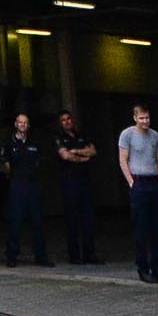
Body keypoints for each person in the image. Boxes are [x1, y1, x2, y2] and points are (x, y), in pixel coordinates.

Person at [118, 102, 158, 282]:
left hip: (154, 182)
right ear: (135, 118)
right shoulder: (127, 134)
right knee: (141, 228)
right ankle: (143, 269)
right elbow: (123, 159)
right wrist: (131, 182)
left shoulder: (154, 135)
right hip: (139, 182)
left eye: (147, 118)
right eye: (141, 118)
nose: (145, 121)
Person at [1, 111, 52, 266]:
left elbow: (40, 162)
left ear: (28, 125)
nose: (22, 125)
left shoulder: (35, 144)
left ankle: (41, 256)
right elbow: (6, 164)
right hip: (17, 185)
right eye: (20, 122)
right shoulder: (9, 144)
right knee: (15, 221)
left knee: (37, 221)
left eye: (25, 122)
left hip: (33, 185)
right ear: (15, 124)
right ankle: (11, 255)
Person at [54, 109, 101, 264]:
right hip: (69, 182)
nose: (67, 122)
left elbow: (93, 151)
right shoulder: (59, 137)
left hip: (85, 181)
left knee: (88, 218)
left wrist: (76, 150)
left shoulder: (82, 135)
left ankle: (90, 253)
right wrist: (82, 158)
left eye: (68, 118)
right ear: (60, 123)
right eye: (63, 120)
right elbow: (65, 155)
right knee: (72, 220)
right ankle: (74, 255)